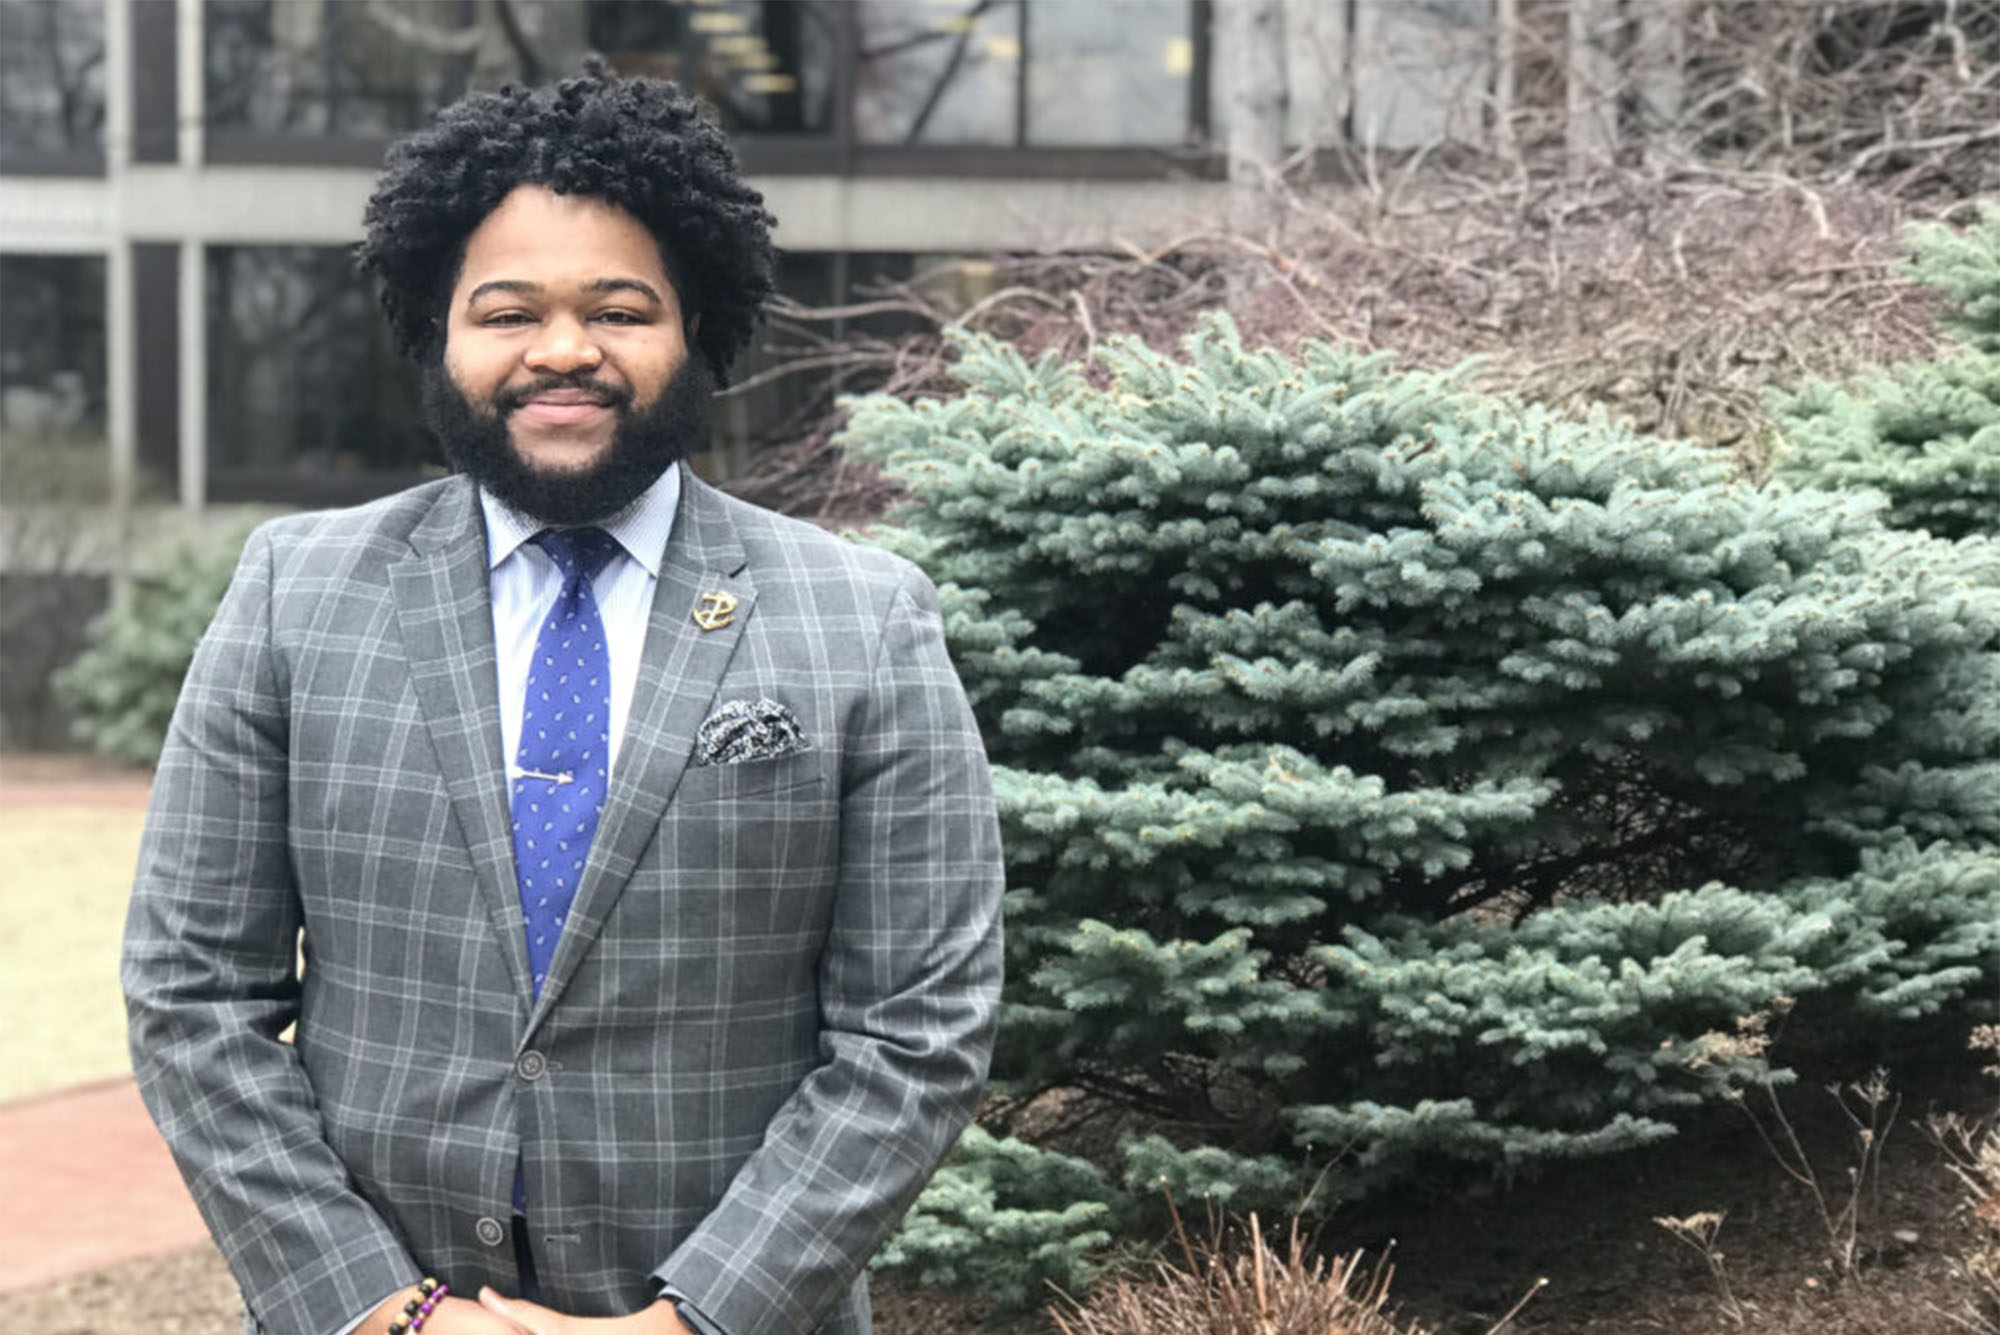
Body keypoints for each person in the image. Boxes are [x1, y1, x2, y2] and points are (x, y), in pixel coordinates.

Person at [123, 60, 1004, 1335]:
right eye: (506, 311)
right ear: (437, 333)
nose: (563, 351)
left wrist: (689, 1321)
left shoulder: (861, 618)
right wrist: (381, 1309)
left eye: (619, 309)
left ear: (695, 327)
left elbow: (916, 1033)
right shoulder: (292, 594)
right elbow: (192, 994)